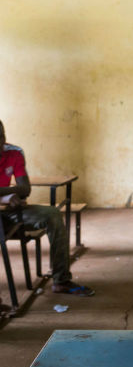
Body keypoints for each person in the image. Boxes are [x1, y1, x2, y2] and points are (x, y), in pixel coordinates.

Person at [0, 120, 94, 296]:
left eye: (0, 140)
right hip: (8, 205)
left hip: (11, 212)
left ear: (4, 138)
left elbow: (25, 189)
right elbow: (18, 190)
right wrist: (7, 195)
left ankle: (61, 280)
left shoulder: (14, 152)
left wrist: (10, 195)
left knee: (53, 215)